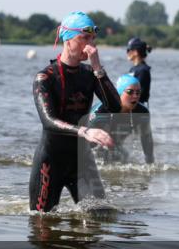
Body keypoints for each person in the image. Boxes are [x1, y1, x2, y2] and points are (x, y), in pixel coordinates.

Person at [29, 11, 121, 212]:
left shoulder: (90, 74)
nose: (91, 46)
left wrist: (97, 68)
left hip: (81, 161)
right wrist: (85, 131)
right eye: (84, 38)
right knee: (42, 228)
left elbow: (116, 107)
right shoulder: (45, 78)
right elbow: (48, 120)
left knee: (100, 219)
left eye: (93, 39)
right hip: (50, 161)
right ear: (67, 40)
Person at [89, 74, 154, 165]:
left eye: (138, 92)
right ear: (119, 93)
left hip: (117, 148)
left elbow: (147, 140)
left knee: (123, 157)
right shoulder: (101, 111)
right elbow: (82, 137)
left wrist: (150, 164)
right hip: (94, 148)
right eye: (130, 92)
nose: (135, 96)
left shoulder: (142, 112)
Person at [126, 37, 152, 105]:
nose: (127, 53)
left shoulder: (143, 70)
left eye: (128, 50)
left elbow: (138, 93)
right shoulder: (133, 69)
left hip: (139, 108)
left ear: (135, 52)